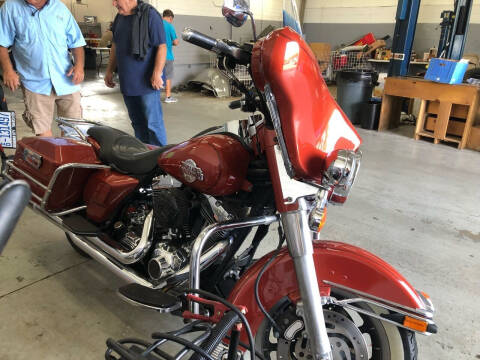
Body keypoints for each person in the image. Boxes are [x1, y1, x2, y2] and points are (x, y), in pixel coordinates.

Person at [0, 0, 86, 137]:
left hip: (67, 81)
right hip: (35, 83)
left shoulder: (60, 8)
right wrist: (8, 70)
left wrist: (79, 66)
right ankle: (49, 159)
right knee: (44, 139)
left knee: (74, 133)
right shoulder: (10, 8)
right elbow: (1, 43)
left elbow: (77, 42)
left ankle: (69, 159)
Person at [105, 0, 167, 146]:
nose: (114, 4)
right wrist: (109, 70)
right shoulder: (119, 18)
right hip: (127, 83)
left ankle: (159, 160)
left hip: (147, 84)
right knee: (137, 124)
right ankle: (143, 156)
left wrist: (157, 73)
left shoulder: (150, 15)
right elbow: (115, 45)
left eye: (116, 0)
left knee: (153, 125)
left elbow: (162, 46)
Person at [162, 9, 179, 104]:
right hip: (167, 56)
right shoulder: (170, 26)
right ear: (170, 17)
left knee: (156, 74)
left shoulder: (157, 25)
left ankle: (153, 96)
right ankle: (168, 97)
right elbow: (176, 42)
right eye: (172, 19)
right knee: (168, 76)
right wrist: (171, 42)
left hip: (157, 56)